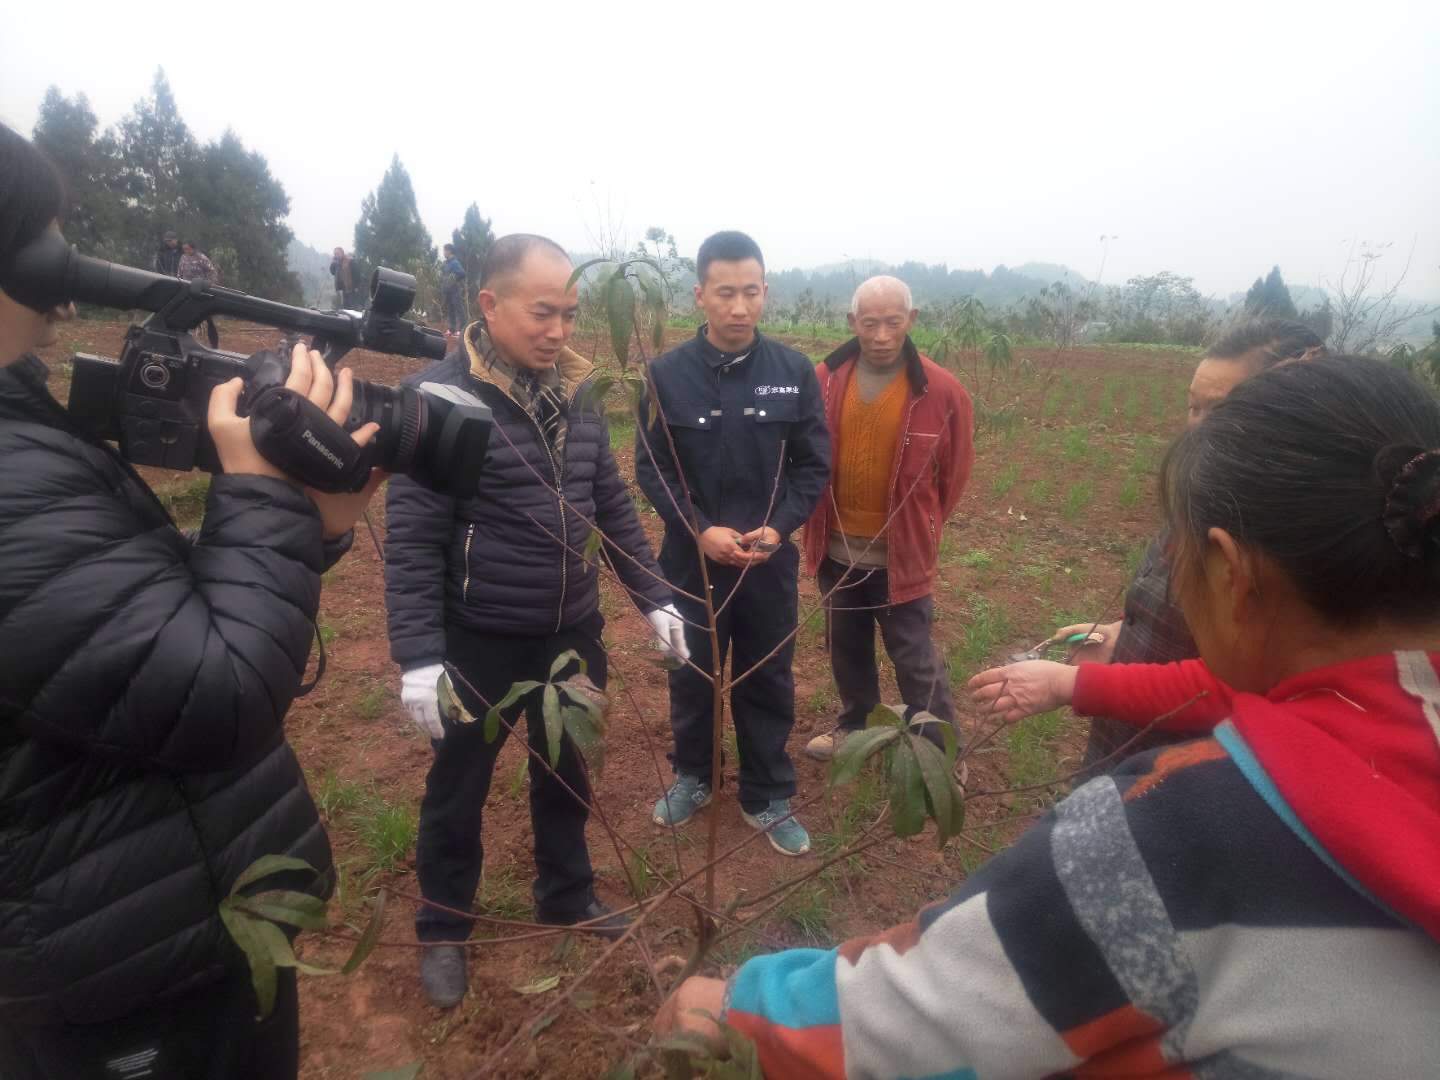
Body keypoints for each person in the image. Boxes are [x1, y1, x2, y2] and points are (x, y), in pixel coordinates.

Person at [656, 354, 1440, 1076]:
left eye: (1183, 556)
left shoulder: (1178, 837)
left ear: (1234, 576)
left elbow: (899, 1023)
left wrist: (721, 1006)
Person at [0, 124, 384, 1079]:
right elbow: (216, 693)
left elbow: (116, 620)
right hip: (123, 970)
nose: (64, 277)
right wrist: (256, 491)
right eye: (47, 240)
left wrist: (315, 526)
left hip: (150, 910)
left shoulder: (19, 418)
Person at [384, 233, 688, 1009]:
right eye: (542, 312)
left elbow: (609, 502)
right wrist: (420, 653)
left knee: (568, 770)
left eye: (571, 314)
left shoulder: (579, 393)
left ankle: (567, 892)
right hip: (477, 634)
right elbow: (416, 535)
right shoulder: (440, 398)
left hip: (571, 630)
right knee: (459, 783)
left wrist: (653, 595)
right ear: (489, 305)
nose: (559, 330)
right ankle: (445, 924)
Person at [1048, 317, 1325, 773]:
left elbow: (1231, 686)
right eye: (1193, 408)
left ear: (1289, 410)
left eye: (1217, 411)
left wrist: (1071, 686)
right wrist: (1122, 635)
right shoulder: (1206, 493)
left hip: (1192, 773)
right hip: (1128, 746)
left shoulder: (1288, 540)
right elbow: (1179, 616)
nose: (1196, 428)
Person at [636, 230, 831, 857]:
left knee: (766, 674)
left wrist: (780, 526)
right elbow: (652, 468)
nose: (739, 306)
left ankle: (767, 793)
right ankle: (693, 776)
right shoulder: (664, 375)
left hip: (767, 563)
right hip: (690, 562)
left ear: (766, 292)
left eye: (751, 292)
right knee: (690, 670)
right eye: (726, 293)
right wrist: (699, 529)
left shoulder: (793, 372)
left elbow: (811, 466)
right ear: (700, 296)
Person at [801, 276, 973, 762]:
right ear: (853, 322)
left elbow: (953, 477)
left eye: (892, 323)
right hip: (835, 550)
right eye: (870, 323)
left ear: (911, 322)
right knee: (845, 649)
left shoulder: (941, 390)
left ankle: (942, 754)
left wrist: (922, 527)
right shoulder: (825, 379)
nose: (880, 335)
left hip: (902, 558)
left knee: (914, 659)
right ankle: (855, 726)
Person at [441, 243, 467, 337]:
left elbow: (462, 273)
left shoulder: (454, 262)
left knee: (458, 309)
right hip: (448, 290)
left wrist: (454, 278)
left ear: (449, 251)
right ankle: (452, 329)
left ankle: (462, 330)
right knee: (450, 309)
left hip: (455, 289)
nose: (443, 253)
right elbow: (444, 276)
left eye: (444, 250)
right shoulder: (446, 263)